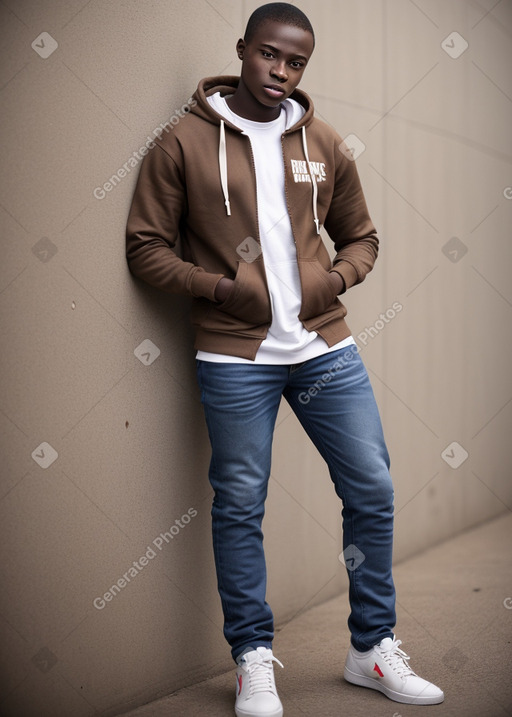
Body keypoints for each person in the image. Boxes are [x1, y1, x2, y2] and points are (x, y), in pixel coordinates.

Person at [126, 3, 444, 715]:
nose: (281, 71)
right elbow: (145, 247)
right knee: (240, 503)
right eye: (269, 55)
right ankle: (252, 657)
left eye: (296, 62)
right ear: (242, 50)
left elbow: (361, 236)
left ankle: (371, 649)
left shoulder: (323, 141)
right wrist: (220, 287)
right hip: (235, 357)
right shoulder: (181, 142)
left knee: (372, 487)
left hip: (324, 347)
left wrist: (331, 279)